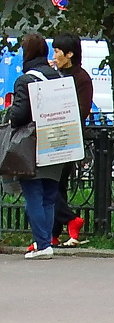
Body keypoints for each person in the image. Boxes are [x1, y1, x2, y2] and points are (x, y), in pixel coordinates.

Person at [8, 33, 64, 260]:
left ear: (26, 53)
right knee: (49, 195)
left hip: (33, 144)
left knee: (33, 193)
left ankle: (42, 244)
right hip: (58, 141)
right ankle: (46, 240)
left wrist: (11, 113)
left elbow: (19, 115)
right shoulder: (57, 76)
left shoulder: (25, 80)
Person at [49, 32, 93, 247]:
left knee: (52, 185)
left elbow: (83, 109)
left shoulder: (81, 78)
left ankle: (69, 220)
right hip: (51, 135)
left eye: (57, 51)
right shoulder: (55, 74)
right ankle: (55, 233)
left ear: (70, 54)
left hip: (69, 136)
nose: (54, 55)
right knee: (55, 185)